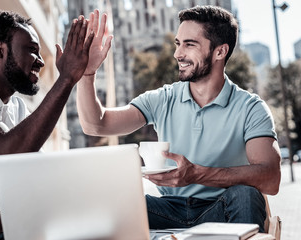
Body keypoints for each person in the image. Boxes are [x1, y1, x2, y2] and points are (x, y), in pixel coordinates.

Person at [77, 6, 281, 232]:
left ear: (220, 52)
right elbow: (95, 124)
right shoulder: (163, 98)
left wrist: (198, 174)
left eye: (189, 44)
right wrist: (87, 73)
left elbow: (271, 179)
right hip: (168, 209)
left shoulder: (251, 108)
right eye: (177, 43)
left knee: (246, 194)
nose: (177, 54)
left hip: (222, 208)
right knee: (111, 202)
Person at [0, 10, 94, 239]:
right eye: (32, 50)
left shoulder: (18, 109)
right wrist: (66, 78)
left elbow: (38, 176)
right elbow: (5, 150)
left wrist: (5, 207)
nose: (41, 62)